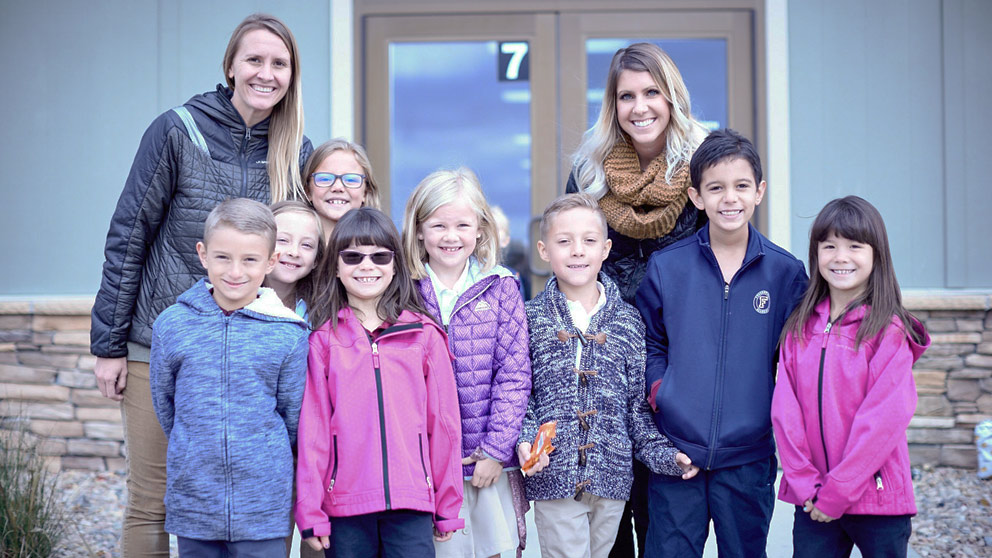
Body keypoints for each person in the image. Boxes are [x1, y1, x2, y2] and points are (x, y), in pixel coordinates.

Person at [89, 13, 312, 557]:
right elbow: (129, 233)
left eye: (278, 63)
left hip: (258, 344)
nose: (266, 73)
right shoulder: (176, 130)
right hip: (162, 339)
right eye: (254, 60)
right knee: (152, 501)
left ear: (292, 74)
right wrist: (109, 345)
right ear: (230, 66)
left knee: (260, 500)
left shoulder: (296, 149)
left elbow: (306, 249)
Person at [565, 42, 709, 556]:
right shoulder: (589, 173)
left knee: (664, 515)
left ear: (672, 98)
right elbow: (572, 259)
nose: (640, 106)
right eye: (627, 96)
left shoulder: (703, 167)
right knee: (606, 512)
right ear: (613, 105)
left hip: (676, 361)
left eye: (652, 92)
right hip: (604, 358)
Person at [635, 129, 808, 558]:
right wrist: (663, 392)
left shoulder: (786, 274)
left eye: (741, 186)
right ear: (696, 197)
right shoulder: (666, 268)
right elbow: (649, 345)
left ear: (759, 192)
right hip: (677, 455)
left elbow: (794, 360)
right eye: (716, 188)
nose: (729, 198)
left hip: (748, 457)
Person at [517, 193, 699, 558]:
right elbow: (522, 395)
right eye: (564, 241)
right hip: (555, 476)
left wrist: (667, 456)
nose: (577, 251)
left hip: (612, 480)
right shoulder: (529, 318)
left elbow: (637, 409)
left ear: (606, 249)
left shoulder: (628, 322)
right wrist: (525, 441)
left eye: (588, 241)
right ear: (543, 250)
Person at [295, 207, 464, 558]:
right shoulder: (323, 342)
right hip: (345, 507)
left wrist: (447, 504)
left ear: (395, 264)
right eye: (353, 256)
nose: (367, 266)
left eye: (380, 256)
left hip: (412, 502)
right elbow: (313, 434)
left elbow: (444, 425)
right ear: (336, 268)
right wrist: (310, 511)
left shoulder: (424, 336)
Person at [149, 199, 309, 557]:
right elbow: (166, 405)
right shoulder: (172, 325)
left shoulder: (288, 334)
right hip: (194, 501)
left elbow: (292, 417)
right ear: (203, 254)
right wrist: (194, 447)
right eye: (223, 257)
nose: (235, 271)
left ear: (270, 262)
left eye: (250, 260)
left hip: (262, 506)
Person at [772, 196, 929, 558]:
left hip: (877, 500)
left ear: (876, 255)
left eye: (854, 246)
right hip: (812, 501)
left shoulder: (888, 331)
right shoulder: (799, 327)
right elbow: (785, 413)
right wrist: (806, 486)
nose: (840, 257)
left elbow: (883, 421)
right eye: (829, 246)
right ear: (816, 254)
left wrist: (836, 493)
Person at [402, 168, 532, 558]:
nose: (450, 235)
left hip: (485, 464)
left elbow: (513, 376)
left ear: (480, 229)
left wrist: (495, 450)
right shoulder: (403, 289)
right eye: (438, 225)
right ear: (419, 230)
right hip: (423, 466)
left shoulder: (501, 286)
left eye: (462, 224)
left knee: (494, 549)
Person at [303, 138, 381, 244]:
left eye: (351, 179)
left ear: (366, 192)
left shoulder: (379, 251)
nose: (338, 187)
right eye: (325, 178)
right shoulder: (292, 250)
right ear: (308, 191)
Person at [266, 200, 324, 316]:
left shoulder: (322, 311)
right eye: (282, 240)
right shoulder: (233, 300)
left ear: (316, 259)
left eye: (306, 245)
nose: (294, 252)